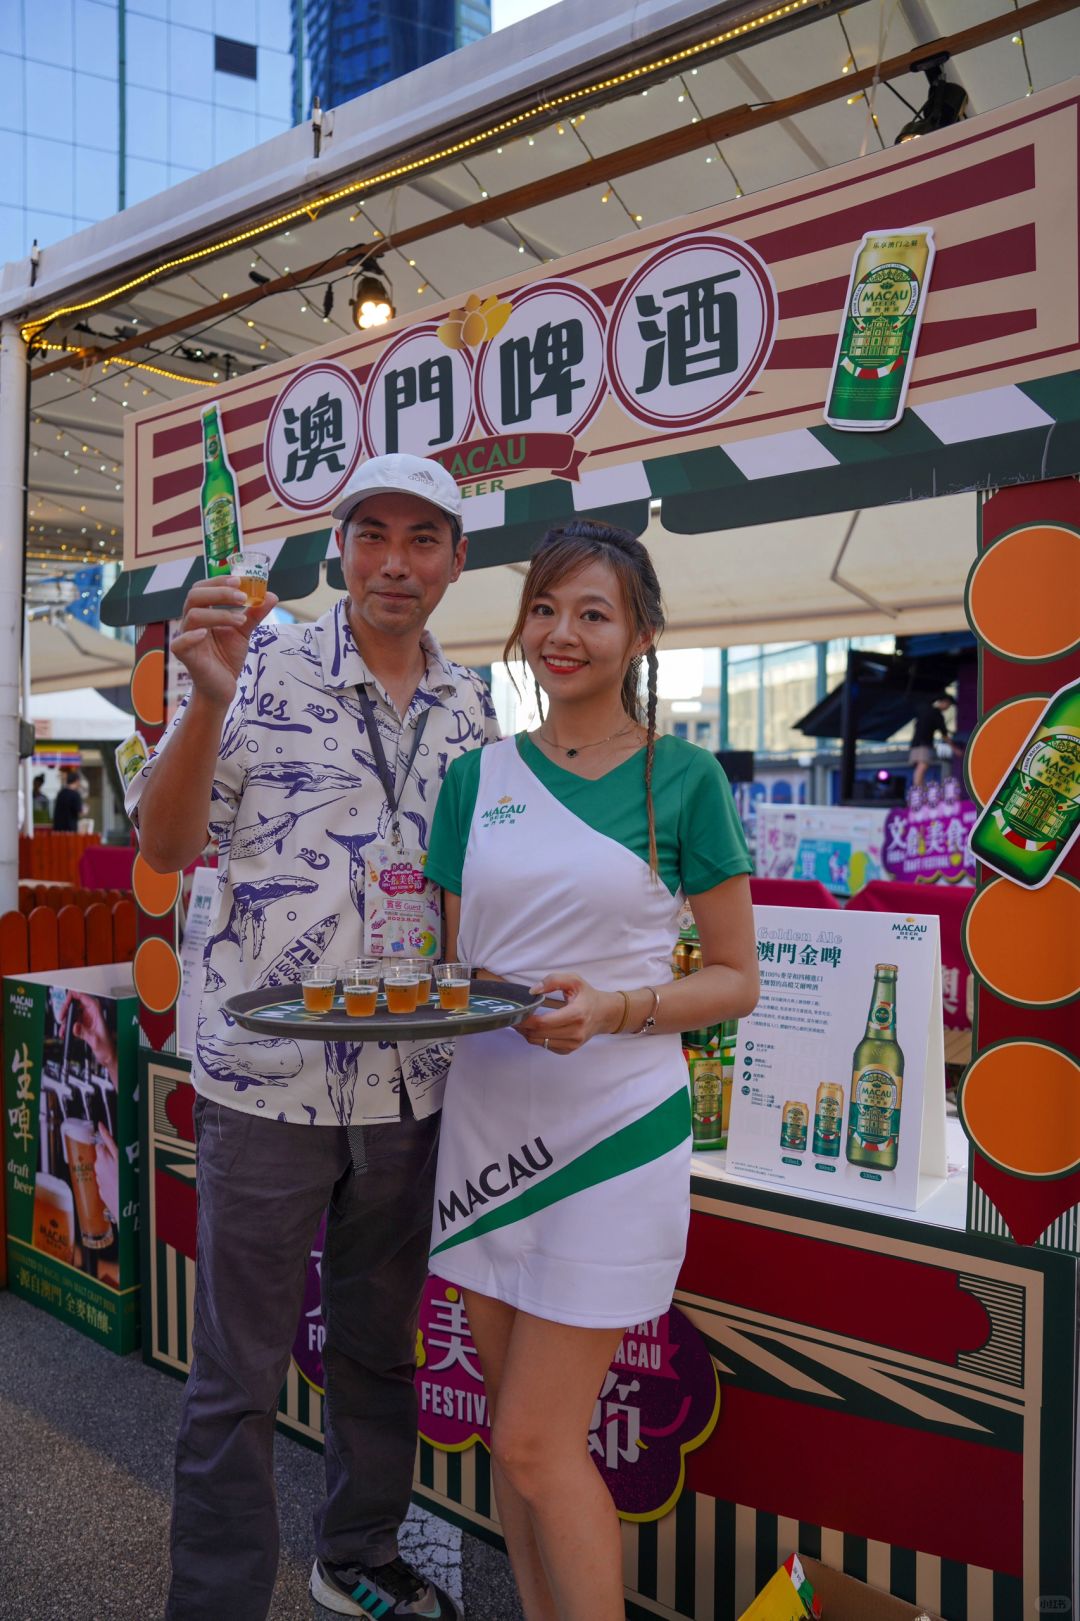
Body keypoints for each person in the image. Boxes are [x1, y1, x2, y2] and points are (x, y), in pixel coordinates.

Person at [126, 453, 498, 1621]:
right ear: (338, 548)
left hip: (412, 1081)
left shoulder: (472, 706)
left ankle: (358, 1557)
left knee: (380, 1348)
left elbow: (474, 884)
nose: (395, 562)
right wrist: (203, 701)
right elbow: (167, 844)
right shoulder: (255, 663)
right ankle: (215, 1600)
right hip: (266, 1083)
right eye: (371, 534)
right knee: (237, 1370)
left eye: (423, 539)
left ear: (457, 560)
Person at [424, 519, 760, 1621]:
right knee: (511, 1439)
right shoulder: (475, 778)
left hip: (615, 1130)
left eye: (592, 612)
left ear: (641, 634)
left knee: (534, 1438)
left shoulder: (685, 779)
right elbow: (459, 963)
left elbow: (736, 978)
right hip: (487, 1123)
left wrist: (615, 1008)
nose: (561, 633)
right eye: (545, 608)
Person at [909, 692, 962, 789]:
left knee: (919, 768)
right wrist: (955, 749)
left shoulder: (926, 710)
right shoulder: (936, 714)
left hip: (915, 744)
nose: (948, 707)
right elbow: (944, 735)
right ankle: (918, 790)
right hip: (923, 744)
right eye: (949, 704)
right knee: (922, 767)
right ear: (944, 702)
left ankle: (919, 789)